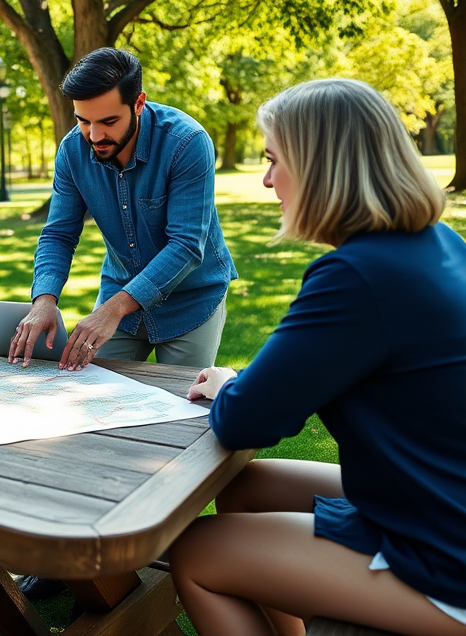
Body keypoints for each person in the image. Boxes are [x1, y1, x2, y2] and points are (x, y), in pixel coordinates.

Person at [172, 79, 466, 636]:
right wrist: (242, 384)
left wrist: (230, 388)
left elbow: (246, 419)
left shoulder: (357, 275)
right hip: (435, 494)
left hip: (445, 555)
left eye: (273, 160)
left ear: (320, 166)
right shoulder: (439, 241)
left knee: (196, 553)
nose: (266, 180)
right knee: (244, 488)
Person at [10, 47, 237, 373]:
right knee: (92, 394)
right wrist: (44, 300)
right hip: (118, 294)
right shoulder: (72, 151)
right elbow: (59, 234)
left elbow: (186, 245)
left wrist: (111, 310)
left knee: (183, 404)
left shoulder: (187, 143)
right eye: (83, 121)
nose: (95, 135)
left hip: (191, 300)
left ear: (139, 103)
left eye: (109, 121)